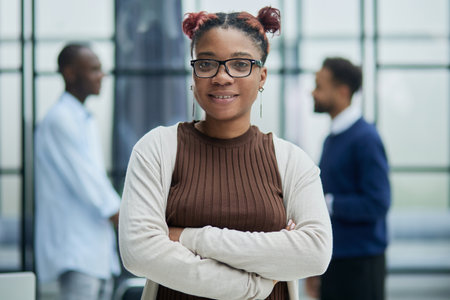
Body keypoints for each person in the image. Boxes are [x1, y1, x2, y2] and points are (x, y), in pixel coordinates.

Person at [119, 6, 332, 300]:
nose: (222, 77)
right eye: (207, 64)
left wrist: (189, 237)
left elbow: (315, 254)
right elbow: (139, 252)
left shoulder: (292, 161)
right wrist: (249, 287)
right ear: (193, 73)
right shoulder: (156, 149)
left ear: (262, 77)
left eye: (241, 64)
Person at [35, 43, 121, 300]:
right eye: (94, 69)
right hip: (76, 250)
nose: (101, 76)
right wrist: (125, 216)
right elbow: (88, 182)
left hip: (94, 250)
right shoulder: (59, 119)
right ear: (70, 74)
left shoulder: (82, 118)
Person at [305, 57, 391, 300]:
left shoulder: (366, 138)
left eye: (319, 86)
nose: (313, 92)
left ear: (342, 92)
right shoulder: (333, 137)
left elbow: (378, 202)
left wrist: (327, 203)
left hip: (360, 265)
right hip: (335, 259)